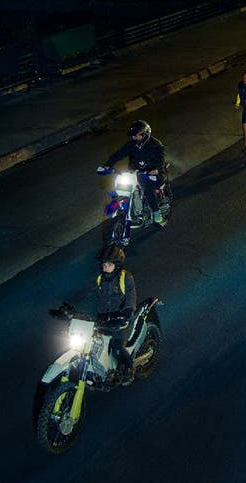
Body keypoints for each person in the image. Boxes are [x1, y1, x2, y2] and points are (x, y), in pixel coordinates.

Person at [102, 120, 167, 225]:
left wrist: (156, 169)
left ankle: (156, 212)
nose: (134, 138)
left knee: (148, 190)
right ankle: (131, 209)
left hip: (154, 173)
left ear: (145, 135)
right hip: (136, 173)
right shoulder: (131, 145)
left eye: (137, 136)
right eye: (133, 136)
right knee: (121, 187)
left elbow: (161, 160)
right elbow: (118, 154)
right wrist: (107, 165)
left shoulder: (155, 145)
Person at [94, 244, 137, 385]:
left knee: (117, 348)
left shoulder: (125, 278)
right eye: (103, 263)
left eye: (109, 264)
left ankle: (129, 370)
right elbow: (95, 298)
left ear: (117, 265)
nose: (105, 267)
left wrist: (126, 313)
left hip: (121, 321)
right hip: (104, 319)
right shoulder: (101, 278)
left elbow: (131, 297)